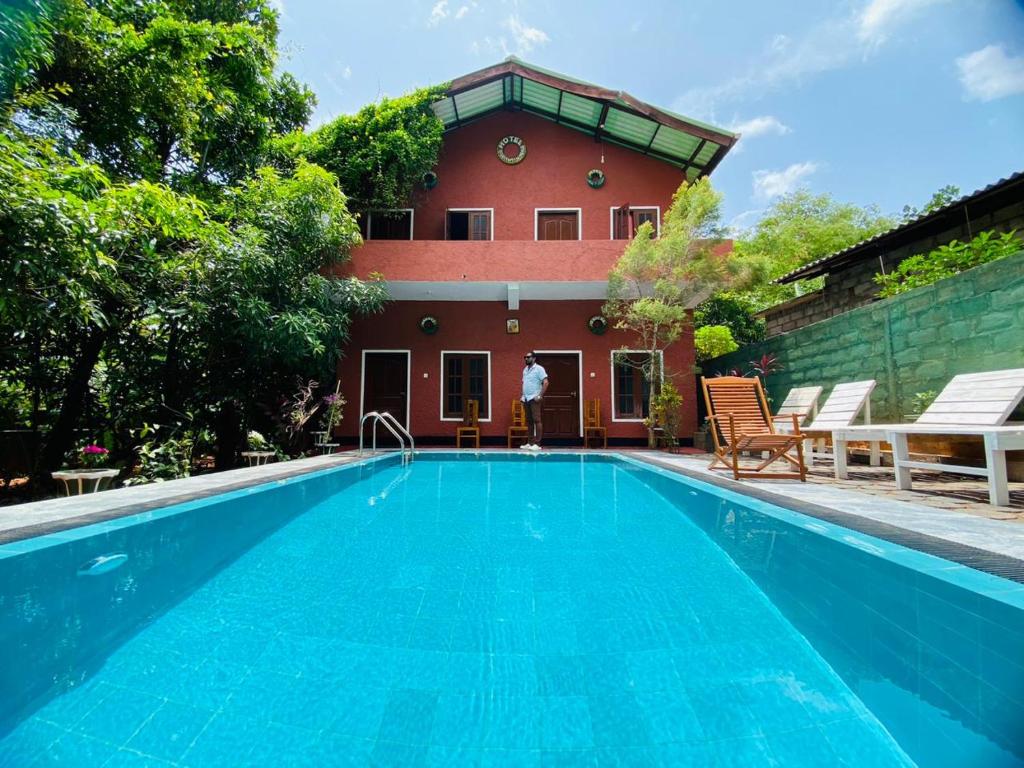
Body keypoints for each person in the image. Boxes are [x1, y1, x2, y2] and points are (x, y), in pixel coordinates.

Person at [520, 351, 549, 451]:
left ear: (534, 358)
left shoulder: (539, 369)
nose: (526, 359)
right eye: (525, 357)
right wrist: (522, 396)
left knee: (537, 420)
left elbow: (545, 383)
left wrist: (540, 396)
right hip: (526, 398)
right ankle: (530, 443)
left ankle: (537, 443)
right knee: (529, 421)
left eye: (528, 357)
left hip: (534, 398)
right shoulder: (525, 370)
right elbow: (524, 383)